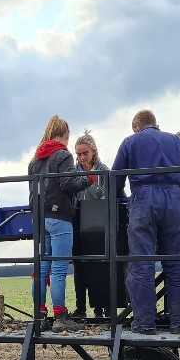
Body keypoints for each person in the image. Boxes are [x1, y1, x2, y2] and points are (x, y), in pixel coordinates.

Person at [112, 110, 180, 334]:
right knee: (177, 262)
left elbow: (115, 179)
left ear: (136, 126)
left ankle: (145, 324)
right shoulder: (177, 141)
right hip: (173, 201)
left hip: (143, 200)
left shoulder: (130, 142)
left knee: (142, 264)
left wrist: (120, 198)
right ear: (155, 124)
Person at [29, 115, 90, 331]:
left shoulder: (35, 160)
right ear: (64, 135)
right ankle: (61, 317)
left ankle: (39, 314)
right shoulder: (62, 155)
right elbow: (68, 183)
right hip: (59, 218)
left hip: (39, 218)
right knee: (60, 269)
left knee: (42, 268)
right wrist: (88, 178)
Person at [70, 130, 109, 319]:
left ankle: (101, 308)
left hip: (98, 222)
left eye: (85, 153)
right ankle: (80, 308)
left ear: (93, 151)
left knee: (99, 266)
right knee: (79, 267)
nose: (81, 157)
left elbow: (103, 194)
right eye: (78, 154)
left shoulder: (103, 169)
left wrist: (89, 178)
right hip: (78, 221)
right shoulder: (73, 172)